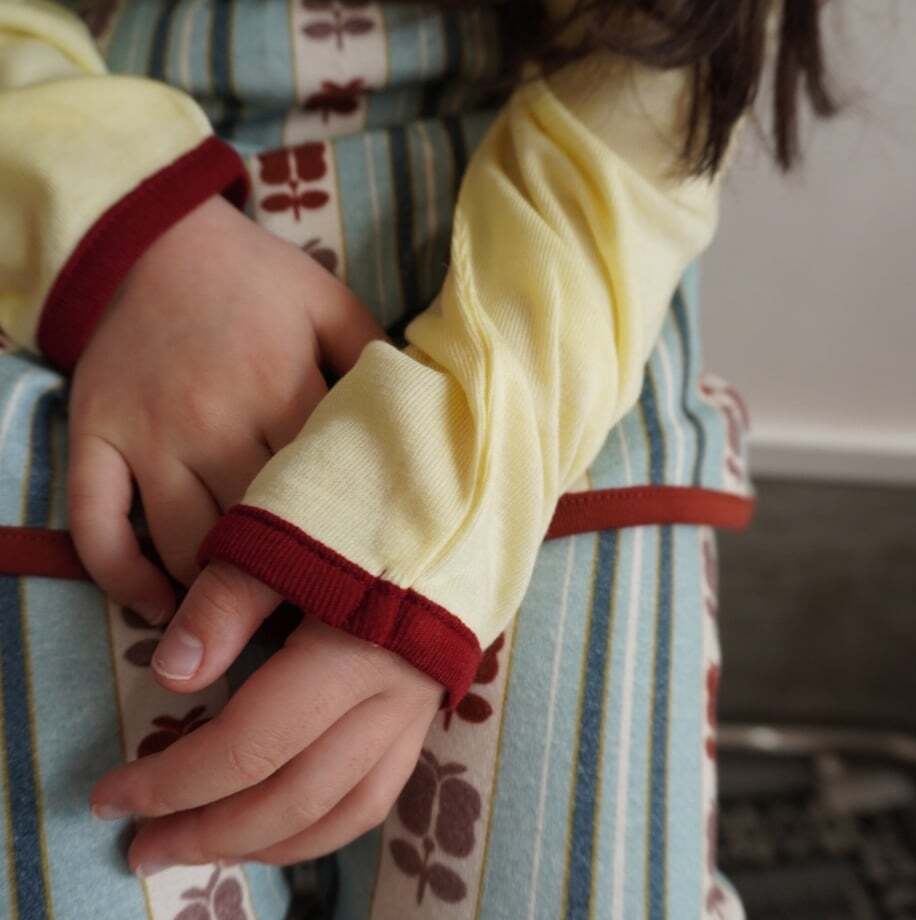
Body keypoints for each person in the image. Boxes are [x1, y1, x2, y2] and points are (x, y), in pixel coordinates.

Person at [0, 1, 834, 917]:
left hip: (548, 314)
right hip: (58, 242)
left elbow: (649, 90)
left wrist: (442, 496)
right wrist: (131, 239)